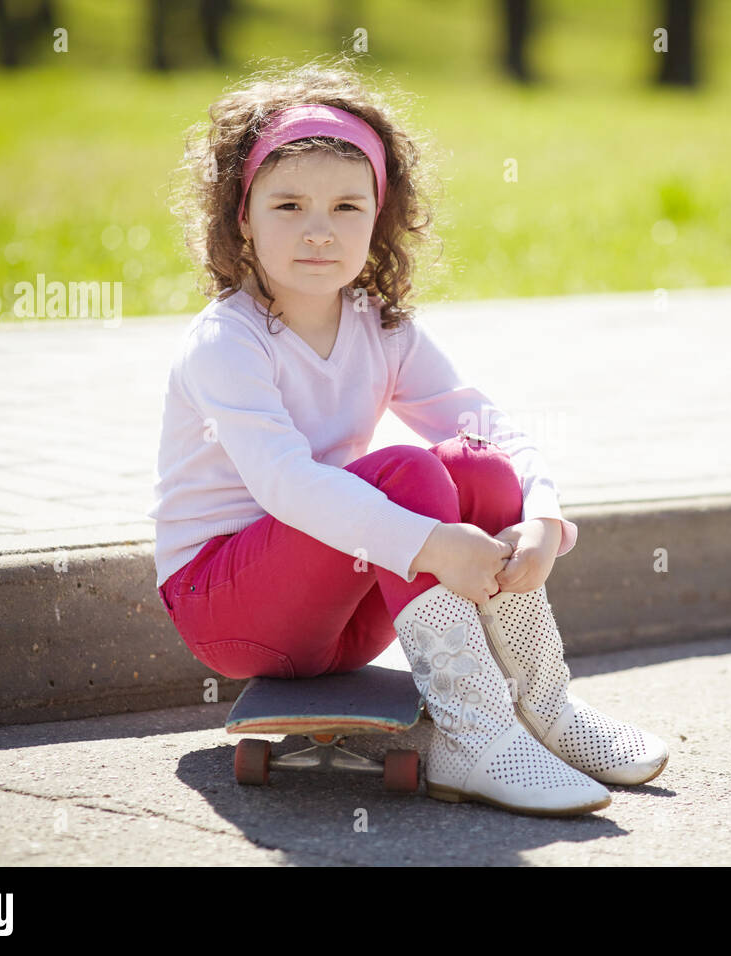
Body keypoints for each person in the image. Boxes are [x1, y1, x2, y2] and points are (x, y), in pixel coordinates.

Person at [148, 59, 667, 817]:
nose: (319, 231)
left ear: (379, 219)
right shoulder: (226, 342)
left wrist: (545, 518)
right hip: (230, 608)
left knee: (480, 471)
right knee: (405, 474)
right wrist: (429, 543)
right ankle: (472, 735)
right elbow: (286, 483)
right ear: (241, 218)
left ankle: (538, 707)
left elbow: (486, 425)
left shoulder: (379, 327)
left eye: (347, 207)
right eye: (288, 205)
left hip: (340, 616)